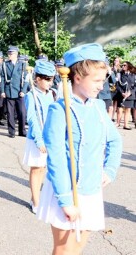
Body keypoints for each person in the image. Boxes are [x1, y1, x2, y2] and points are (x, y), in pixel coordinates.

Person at [38, 43, 122, 255]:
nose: (101, 86)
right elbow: (55, 158)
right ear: (77, 78)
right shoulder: (60, 110)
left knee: (78, 248)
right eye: (96, 80)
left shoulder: (98, 107)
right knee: (64, 250)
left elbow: (115, 140)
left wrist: (109, 169)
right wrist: (65, 201)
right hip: (66, 189)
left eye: (102, 80)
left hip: (91, 188)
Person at [22, 60, 56, 213]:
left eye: (52, 79)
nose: (50, 82)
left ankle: (36, 197)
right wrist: (39, 140)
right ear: (37, 79)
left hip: (50, 137)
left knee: (43, 169)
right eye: (47, 79)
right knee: (36, 169)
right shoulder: (31, 96)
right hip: (38, 138)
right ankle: (36, 202)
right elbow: (32, 120)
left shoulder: (52, 94)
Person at [0, 46, 28, 138]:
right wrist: (2, 91)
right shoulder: (5, 64)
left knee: (22, 112)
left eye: (11, 53)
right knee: (10, 113)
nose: (9, 55)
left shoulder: (22, 64)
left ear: (16, 54)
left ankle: (22, 131)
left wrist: (23, 91)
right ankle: (11, 131)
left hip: (19, 91)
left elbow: (26, 79)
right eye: (9, 53)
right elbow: (3, 78)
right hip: (9, 91)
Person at [114, 61, 135, 129]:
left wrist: (130, 92)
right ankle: (118, 123)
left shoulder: (134, 75)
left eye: (124, 65)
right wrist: (122, 93)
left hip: (130, 95)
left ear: (128, 66)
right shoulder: (119, 74)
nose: (123, 66)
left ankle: (126, 125)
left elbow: (135, 86)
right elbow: (117, 85)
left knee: (128, 110)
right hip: (121, 94)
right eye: (122, 65)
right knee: (119, 109)